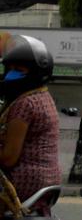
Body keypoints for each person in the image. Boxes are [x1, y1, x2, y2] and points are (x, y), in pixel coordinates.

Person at [0, 35, 60, 207]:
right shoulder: (43, 96)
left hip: (23, 181)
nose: (12, 74)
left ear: (36, 72)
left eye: (19, 69)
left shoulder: (24, 104)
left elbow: (8, 158)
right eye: (10, 69)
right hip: (48, 180)